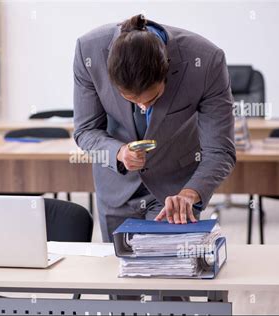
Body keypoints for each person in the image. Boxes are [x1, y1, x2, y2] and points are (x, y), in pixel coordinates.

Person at [73, 14, 236, 242]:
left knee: (168, 272)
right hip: (116, 190)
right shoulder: (88, 51)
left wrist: (190, 194)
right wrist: (118, 153)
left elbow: (220, 150)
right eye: (130, 99)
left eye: (152, 99)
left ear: (167, 70)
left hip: (175, 193)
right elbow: (86, 130)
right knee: (120, 272)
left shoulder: (207, 61)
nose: (141, 107)